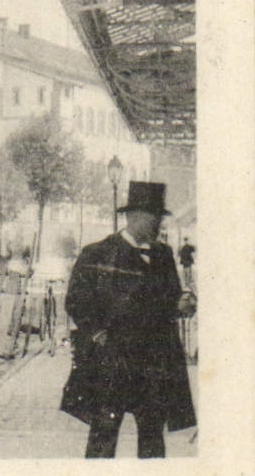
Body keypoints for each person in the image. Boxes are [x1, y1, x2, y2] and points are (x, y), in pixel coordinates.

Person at [60, 181, 196, 458]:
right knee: (103, 436)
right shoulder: (97, 253)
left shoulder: (163, 255)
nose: (159, 224)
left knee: (152, 439)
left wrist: (183, 303)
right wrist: (98, 334)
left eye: (160, 218)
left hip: (154, 364)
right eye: (154, 218)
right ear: (133, 217)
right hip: (112, 361)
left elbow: (170, 299)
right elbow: (76, 300)